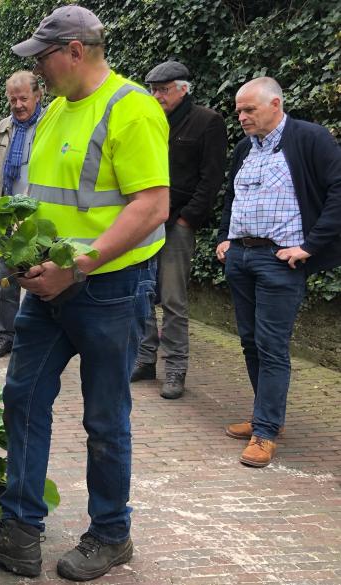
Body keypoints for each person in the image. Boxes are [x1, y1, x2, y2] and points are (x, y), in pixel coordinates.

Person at [0, 6, 168, 581]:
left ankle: (111, 534)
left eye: (42, 59)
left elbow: (152, 206)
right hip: (47, 288)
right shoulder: (48, 116)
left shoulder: (132, 109)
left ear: (74, 50)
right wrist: (19, 251)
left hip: (109, 289)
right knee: (22, 398)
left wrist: (77, 269)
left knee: (104, 415)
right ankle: (20, 533)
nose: (37, 71)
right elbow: (40, 199)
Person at [216, 77, 341, 468]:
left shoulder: (310, 139)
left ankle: (266, 432)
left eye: (249, 109)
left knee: (272, 345)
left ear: (275, 104)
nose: (241, 117)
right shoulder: (243, 149)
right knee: (251, 342)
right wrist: (224, 238)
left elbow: (338, 192)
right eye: (239, 110)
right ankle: (263, 416)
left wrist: (310, 246)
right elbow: (233, 197)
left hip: (280, 261)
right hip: (240, 258)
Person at [131, 61, 228, 398]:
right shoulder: (148, 121)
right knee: (142, 293)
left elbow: (212, 177)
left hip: (177, 223)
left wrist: (188, 218)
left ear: (183, 89)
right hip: (145, 221)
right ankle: (144, 360)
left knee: (173, 298)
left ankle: (175, 368)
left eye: (164, 89)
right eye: (153, 89)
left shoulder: (207, 121)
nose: (157, 95)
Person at [0, 71, 45, 359]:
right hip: (8, 216)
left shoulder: (50, 126)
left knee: (41, 279)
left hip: (38, 216)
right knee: (7, 280)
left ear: (38, 96)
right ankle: (5, 334)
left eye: (24, 98)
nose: (18, 105)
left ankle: (38, 337)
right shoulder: (3, 128)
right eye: (13, 99)